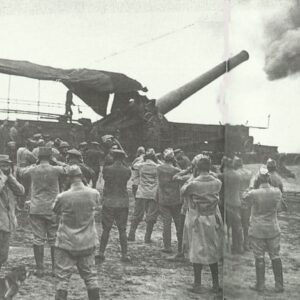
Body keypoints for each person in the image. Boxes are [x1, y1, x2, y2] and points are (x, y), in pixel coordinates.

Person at [53, 165, 100, 300]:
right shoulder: (94, 193)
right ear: (81, 177)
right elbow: (96, 205)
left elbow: (55, 210)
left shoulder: (62, 196)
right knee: (91, 277)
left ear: (68, 178)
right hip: (88, 241)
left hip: (66, 242)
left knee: (62, 279)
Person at [19, 147, 66, 277]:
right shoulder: (56, 169)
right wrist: (57, 162)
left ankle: (40, 269)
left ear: (39, 157)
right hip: (53, 208)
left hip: (37, 207)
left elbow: (21, 172)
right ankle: (55, 269)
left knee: (38, 239)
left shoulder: (33, 169)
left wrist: (34, 164)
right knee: (54, 239)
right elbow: (71, 168)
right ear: (50, 157)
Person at [181, 154, 223, 294]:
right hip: (211, 217)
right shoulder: (217, 182)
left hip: (197, 219)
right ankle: (215, 284)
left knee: (196, 249)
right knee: (212, 249)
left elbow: (183, 191)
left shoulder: (194, 184)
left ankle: (197, 284)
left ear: (197, 168)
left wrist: (192, 175)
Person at [243, 167, 284, 293]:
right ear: (269, 178)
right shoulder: (277, 191)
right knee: (275, 256)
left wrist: (251, 186)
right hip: (273, 228)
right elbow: (281, 208)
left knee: (259, 256)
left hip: (258, 229)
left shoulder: (253, 193)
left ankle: (260, 285)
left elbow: (245, 200)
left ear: (258, 179)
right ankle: (279, 285)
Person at [96, 149, 131, 263]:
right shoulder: (127, 170)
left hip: (109, 201)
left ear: (113, 157)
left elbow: (106, 179)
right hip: (122, 201)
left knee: (106, 229)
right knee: (122, 229)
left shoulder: (107, 169)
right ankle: (124, 254)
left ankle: (101, 252)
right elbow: (126, 177)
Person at [127, 148, 159, 243]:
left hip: (141, 192)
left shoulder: (141, 165)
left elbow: (133, 166)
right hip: (153, 193)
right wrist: (157, 159)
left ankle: (131, 235)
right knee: (151, 216)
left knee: (137, 214)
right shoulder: (157, 166)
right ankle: (147, 237)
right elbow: (162, 164)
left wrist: (142, 159)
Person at [0, 155, 24, 270]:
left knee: (3, 255)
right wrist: (2, 179)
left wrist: (9, 177)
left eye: (7, 165)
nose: (6, 168)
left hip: (7, 221)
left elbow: (21, 191)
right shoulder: (2, 180)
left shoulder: (9, 179)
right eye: (3, 165)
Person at [157, 148, 181, 253]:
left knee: (166, 223)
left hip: (163, 198)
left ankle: (167, 246)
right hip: (175, 198)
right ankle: (181, 246)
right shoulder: (176, 170)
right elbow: (181, 173)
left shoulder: (159, 168)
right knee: (178, 223)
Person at [223, 157, 243, 254]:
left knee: (222, 227)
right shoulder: (238, 175)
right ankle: (237, 247)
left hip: (225, 204)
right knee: (236, 227)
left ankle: (224, 248)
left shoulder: (223, 175)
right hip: (236, 202)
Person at [233, 156, 252, 251]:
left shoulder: (235, 174)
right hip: (247, 199)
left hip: (237, 199)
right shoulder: (249, 173)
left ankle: (238, 245)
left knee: (237, 224)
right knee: (246, 224)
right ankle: (246, 244)